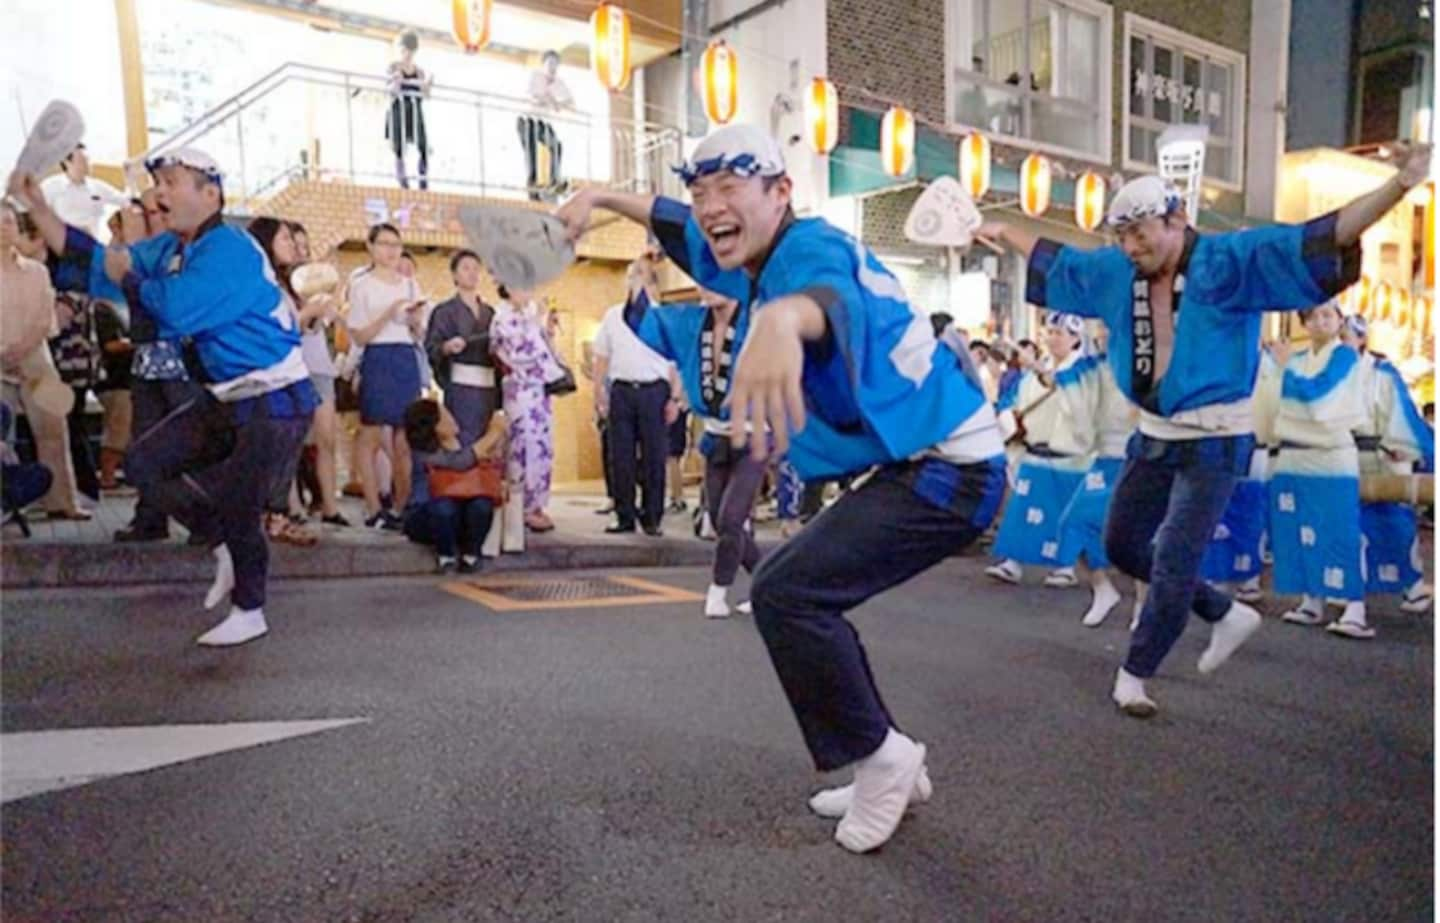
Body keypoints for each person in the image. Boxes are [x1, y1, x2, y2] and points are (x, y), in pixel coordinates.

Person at [557, 124, 1006, 854]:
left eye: (731, 188)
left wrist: (779, 320)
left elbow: (825, 297)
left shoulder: (809, 250)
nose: (709, 207)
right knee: (800, 593)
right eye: (702, 190)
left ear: (782, 192)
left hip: (955, 471)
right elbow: (672, 221)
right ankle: (883, 757)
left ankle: (884, 757)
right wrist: (601, 197)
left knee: (790, 593)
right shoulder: (757, 259)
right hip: (921, 462)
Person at [977, 140, 1432, 717]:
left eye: (1142, 233)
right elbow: (1057, 260)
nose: (1131, 246)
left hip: (1217, 439)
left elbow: (1322, 235)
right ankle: (1221, 610)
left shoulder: (1228, 261)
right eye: (1122, 235)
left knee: (1173, 558)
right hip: (1155, 433)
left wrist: (1400, 185)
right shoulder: (1119, 270)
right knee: (1122, 543)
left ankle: (1135, 673)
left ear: (1177, 219)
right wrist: (997, 227)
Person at [12, 147, 319, 645]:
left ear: (211, 193)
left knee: (241, 502)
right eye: (159, 183)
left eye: (173, 182)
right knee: (145, 463)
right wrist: (40, 209)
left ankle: (251, 608)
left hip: (277, 397)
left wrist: (125, 273)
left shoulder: (231, 250)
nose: (159, 193)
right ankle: (222, 545)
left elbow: (171, 310)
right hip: (225, 395)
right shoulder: (175, 248)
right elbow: (99, 263)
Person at [620, 285, 765, 617]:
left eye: (719, 280)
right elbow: (644, 320)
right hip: (715, 436)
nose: (710, 286)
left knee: (731, 519)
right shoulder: (690, 323)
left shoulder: (758, 318)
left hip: (755, 435)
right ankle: (770, 585)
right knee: (719, 519)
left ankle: (718, 589)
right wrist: (638, 283)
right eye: (705, 279)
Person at [1265, 302, 1374, 635]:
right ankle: (1312, 599)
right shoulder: (1295, 360)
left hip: (1330, 457)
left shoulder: (1344, 357)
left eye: (1329, 315)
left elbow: (1320, 398)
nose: (1321, 321)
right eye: (1314, 316)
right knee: (1297, 529)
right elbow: (1270, 403)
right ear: (1305, 323)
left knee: (1339, 530)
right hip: (1293, 456)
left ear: (1339, 321)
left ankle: (1354, 607)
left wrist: (1285, 372)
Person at [986, 312, 1093, 590]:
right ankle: (1013, 562)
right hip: (1034, 451)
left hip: (1070, 456)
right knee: (1022, 509)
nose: (1054, 339)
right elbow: (1011, 400)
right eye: (1051, 333)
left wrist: (1053, 379)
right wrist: (1008, 418)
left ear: (1075, 339)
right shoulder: (1034, 372)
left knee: (1066, 514)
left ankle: (1065, 566)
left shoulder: (1087, 371)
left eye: (1061, 334)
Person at [1339, 313, 1434, 615]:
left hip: (1384, 454)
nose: (1342, 344)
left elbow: (1401, 412)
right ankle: (1354, 594)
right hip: (1346, 456)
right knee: (1352, 527)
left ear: (1361, 339)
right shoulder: (1333, 372)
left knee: (1395, 524)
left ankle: (1413, 587)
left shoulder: (1383, 372)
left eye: (1346, 338)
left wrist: (1400, 445)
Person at [0, 201, 88, 520]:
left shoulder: (37, 271)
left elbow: (44, 318)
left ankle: (63, 501)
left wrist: (20, 350)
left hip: (37, 356)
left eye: (9, 222)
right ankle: (6, 505)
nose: (3, 228)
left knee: (54, 428)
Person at [1056, 325, 1141, 627]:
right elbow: (1080, 407)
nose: (1103, 332)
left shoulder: (1148, 359)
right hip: (1106, 458)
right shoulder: (1096, 366)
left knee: (1139, 535)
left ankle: (1143, 606)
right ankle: (1103, 588)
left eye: (1108, 326)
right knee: (1074, 521)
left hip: (1141, 458)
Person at [347, 223, 424, 530]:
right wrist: (389, 313)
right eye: (385, 244)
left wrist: (415, 321)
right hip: (378, 357)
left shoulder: (410, 285)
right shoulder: (361, 285)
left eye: (397, 244)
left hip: (405, 357)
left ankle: (402, 506)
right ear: (371, 247)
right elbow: (360, 335)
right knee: (371, 434)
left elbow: (418, 333)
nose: (392, 251)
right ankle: (373, 506)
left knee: (406, 437)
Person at [592, 260, 675, 537]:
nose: (633, 281)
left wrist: (675, 398)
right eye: (629, 276)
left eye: (639, 275)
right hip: (622, 391)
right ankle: (624, 515)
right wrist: (599, 392)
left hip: (654, 391)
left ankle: (652, 517)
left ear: (651, 283)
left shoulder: (663, 317)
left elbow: (675, 362)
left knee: (654, 457)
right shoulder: (613, 315)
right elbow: (601, 356)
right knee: (620, 456)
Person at [402, 398, 504, 573]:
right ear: (435, 427)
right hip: (427, 517)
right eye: (445, 416)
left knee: (481, 504)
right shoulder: (422, 453)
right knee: (444, 506)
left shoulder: (465, 440)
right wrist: (493, 434)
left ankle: (471, 556)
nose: (451, 418)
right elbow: (459, 462)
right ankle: (446, 556)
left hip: (461, 512)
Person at [490, 285, 562, 533]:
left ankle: (537, 505)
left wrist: (547, 330)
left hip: (537, 390)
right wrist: (535, 322)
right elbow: (518, 353)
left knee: (542, 445)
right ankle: (522, 506)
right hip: (519, 388)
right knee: (523, 445)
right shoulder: (502, 316)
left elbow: (545, 349)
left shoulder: (529, 313)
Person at [425, 250, 499, 442]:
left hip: (489, 388)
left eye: (476, 268)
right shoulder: (444, 311)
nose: (472, 273)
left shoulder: (490, 313)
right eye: (466, 268)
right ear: (454, 275)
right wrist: (447, 347)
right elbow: (431, 347)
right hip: (461, 388)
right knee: (463, 439)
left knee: (489, 440)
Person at [40, 142, 129, 239]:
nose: (88, 164)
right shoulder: (51, 186)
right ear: (67, 162)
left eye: (88, 159)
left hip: (92, 244)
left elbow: (126, 201)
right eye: (83, 160)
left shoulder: (98, 187)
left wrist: (130, 179)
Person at [520, 50, 573, 201]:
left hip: (542, 122)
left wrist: (557, 102)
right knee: (532, 156)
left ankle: (554, 180)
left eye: (555, 64)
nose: (552, 67)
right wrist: (551, 101)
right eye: (550, 63)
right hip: (527, 120)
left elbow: (571, 103)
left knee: (556, 146)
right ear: (544, 65)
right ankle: (533, 192)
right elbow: (535, 96)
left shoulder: (559, 83)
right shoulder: (536, 76)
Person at [386, 30, 433, 190]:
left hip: (414, 109)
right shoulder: (393, 66)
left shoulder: (419, 71)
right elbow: (390, 90)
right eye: (403, 50)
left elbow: (426, 95)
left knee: (423, 145)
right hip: (399, 108)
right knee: (399, 146)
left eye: (409, 51)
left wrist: (426, 85)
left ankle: (423, 178)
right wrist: (397, 81)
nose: (406, 54)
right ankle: (402, 180)